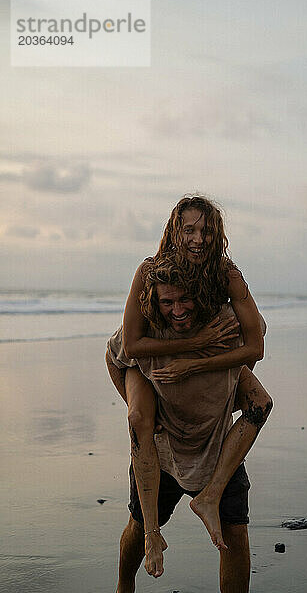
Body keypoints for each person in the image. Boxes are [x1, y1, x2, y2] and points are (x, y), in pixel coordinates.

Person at [105, 195, 270, 576]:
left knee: (235, 530)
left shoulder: (225, 274)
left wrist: (199, 362)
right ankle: (133, 567)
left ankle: (210, 496)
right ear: (174, 231)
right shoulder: (152, 272)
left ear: (217, 234)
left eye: (206, 230)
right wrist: (193, 346)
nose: (198, 238)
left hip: (210, 420)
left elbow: (255, 346)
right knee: (138, 424)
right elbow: (126, 348)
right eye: (189, 229)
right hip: (164, 415)